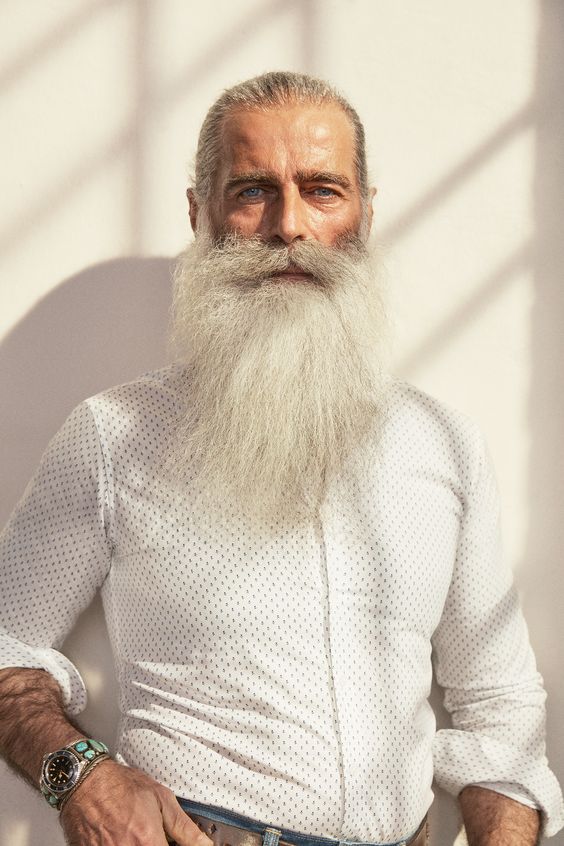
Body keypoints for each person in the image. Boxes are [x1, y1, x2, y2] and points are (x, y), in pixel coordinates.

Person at [0, 71, 562, 846]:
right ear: (200, 214)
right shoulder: (113, 435)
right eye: (254, 191)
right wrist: (80, 779)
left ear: (364, 214)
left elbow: (499, 706)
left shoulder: (443, 444)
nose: (288, 225)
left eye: (323, 190)